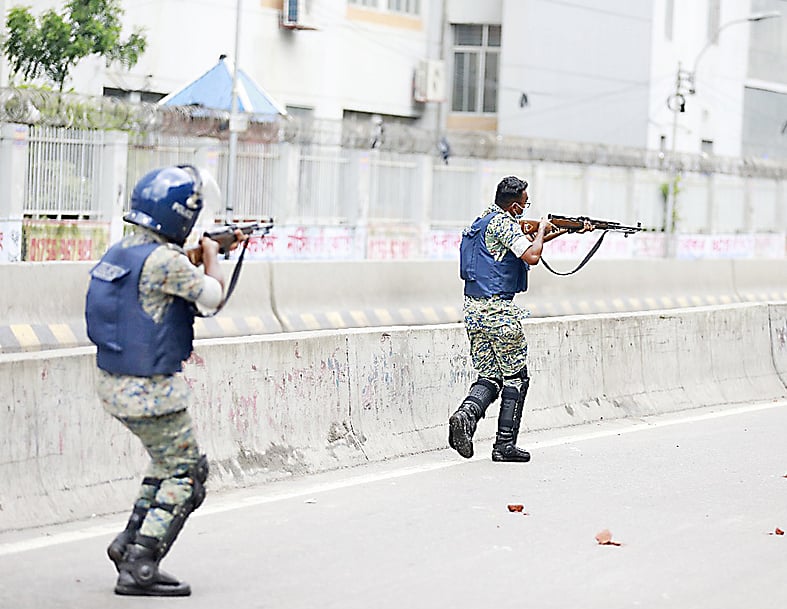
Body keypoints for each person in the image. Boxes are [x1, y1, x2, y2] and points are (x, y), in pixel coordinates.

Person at [85, 165, 243, 597]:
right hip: (151, 392)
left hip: (115, 382)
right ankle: (142, 562)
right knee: (188, 475)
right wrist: (212, 255)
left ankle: (127, 544)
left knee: (164, 465)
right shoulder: (166, 262)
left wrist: (198, 252)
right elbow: (213, 297)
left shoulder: (122, 251)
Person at [448, 176, 589, 463]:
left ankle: (465, 416)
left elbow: (520, 248)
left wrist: (559, 231)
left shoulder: (483, 221)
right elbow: (532, 255)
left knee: (490, 375)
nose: (526, 208)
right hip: (498, 312)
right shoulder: (505, 224)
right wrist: (541, 230)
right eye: (525, 203)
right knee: (516, 379)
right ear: (513, 206)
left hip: (474, 311)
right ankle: (504, 446)